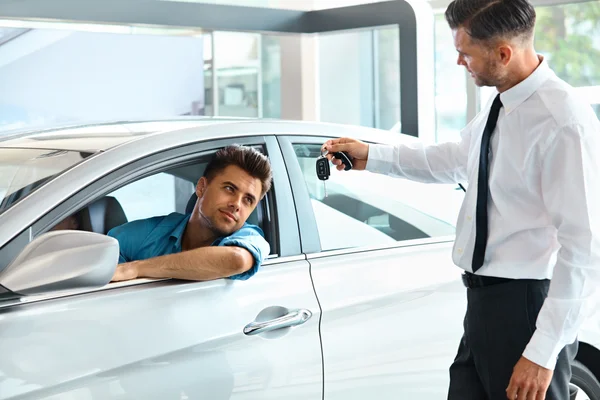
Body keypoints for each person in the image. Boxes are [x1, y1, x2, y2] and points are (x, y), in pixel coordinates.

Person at [323, 0, 600, 399]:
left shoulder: (563, 121)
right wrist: (372, 154)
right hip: (483, 305)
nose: (458, 62)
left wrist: (541, 353)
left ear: (503, 53)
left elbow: (584, 247)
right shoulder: (502, 104)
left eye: (465, 52)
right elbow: (453, 159)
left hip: (525, 307)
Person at [107, 145, 272, 283]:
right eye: (229, 189)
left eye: (248, 200)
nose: (236, 204)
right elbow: (105, 253)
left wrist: (136, 268)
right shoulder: (148, 233)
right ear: (201, 187)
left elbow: (236, 260)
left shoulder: (250, 238)